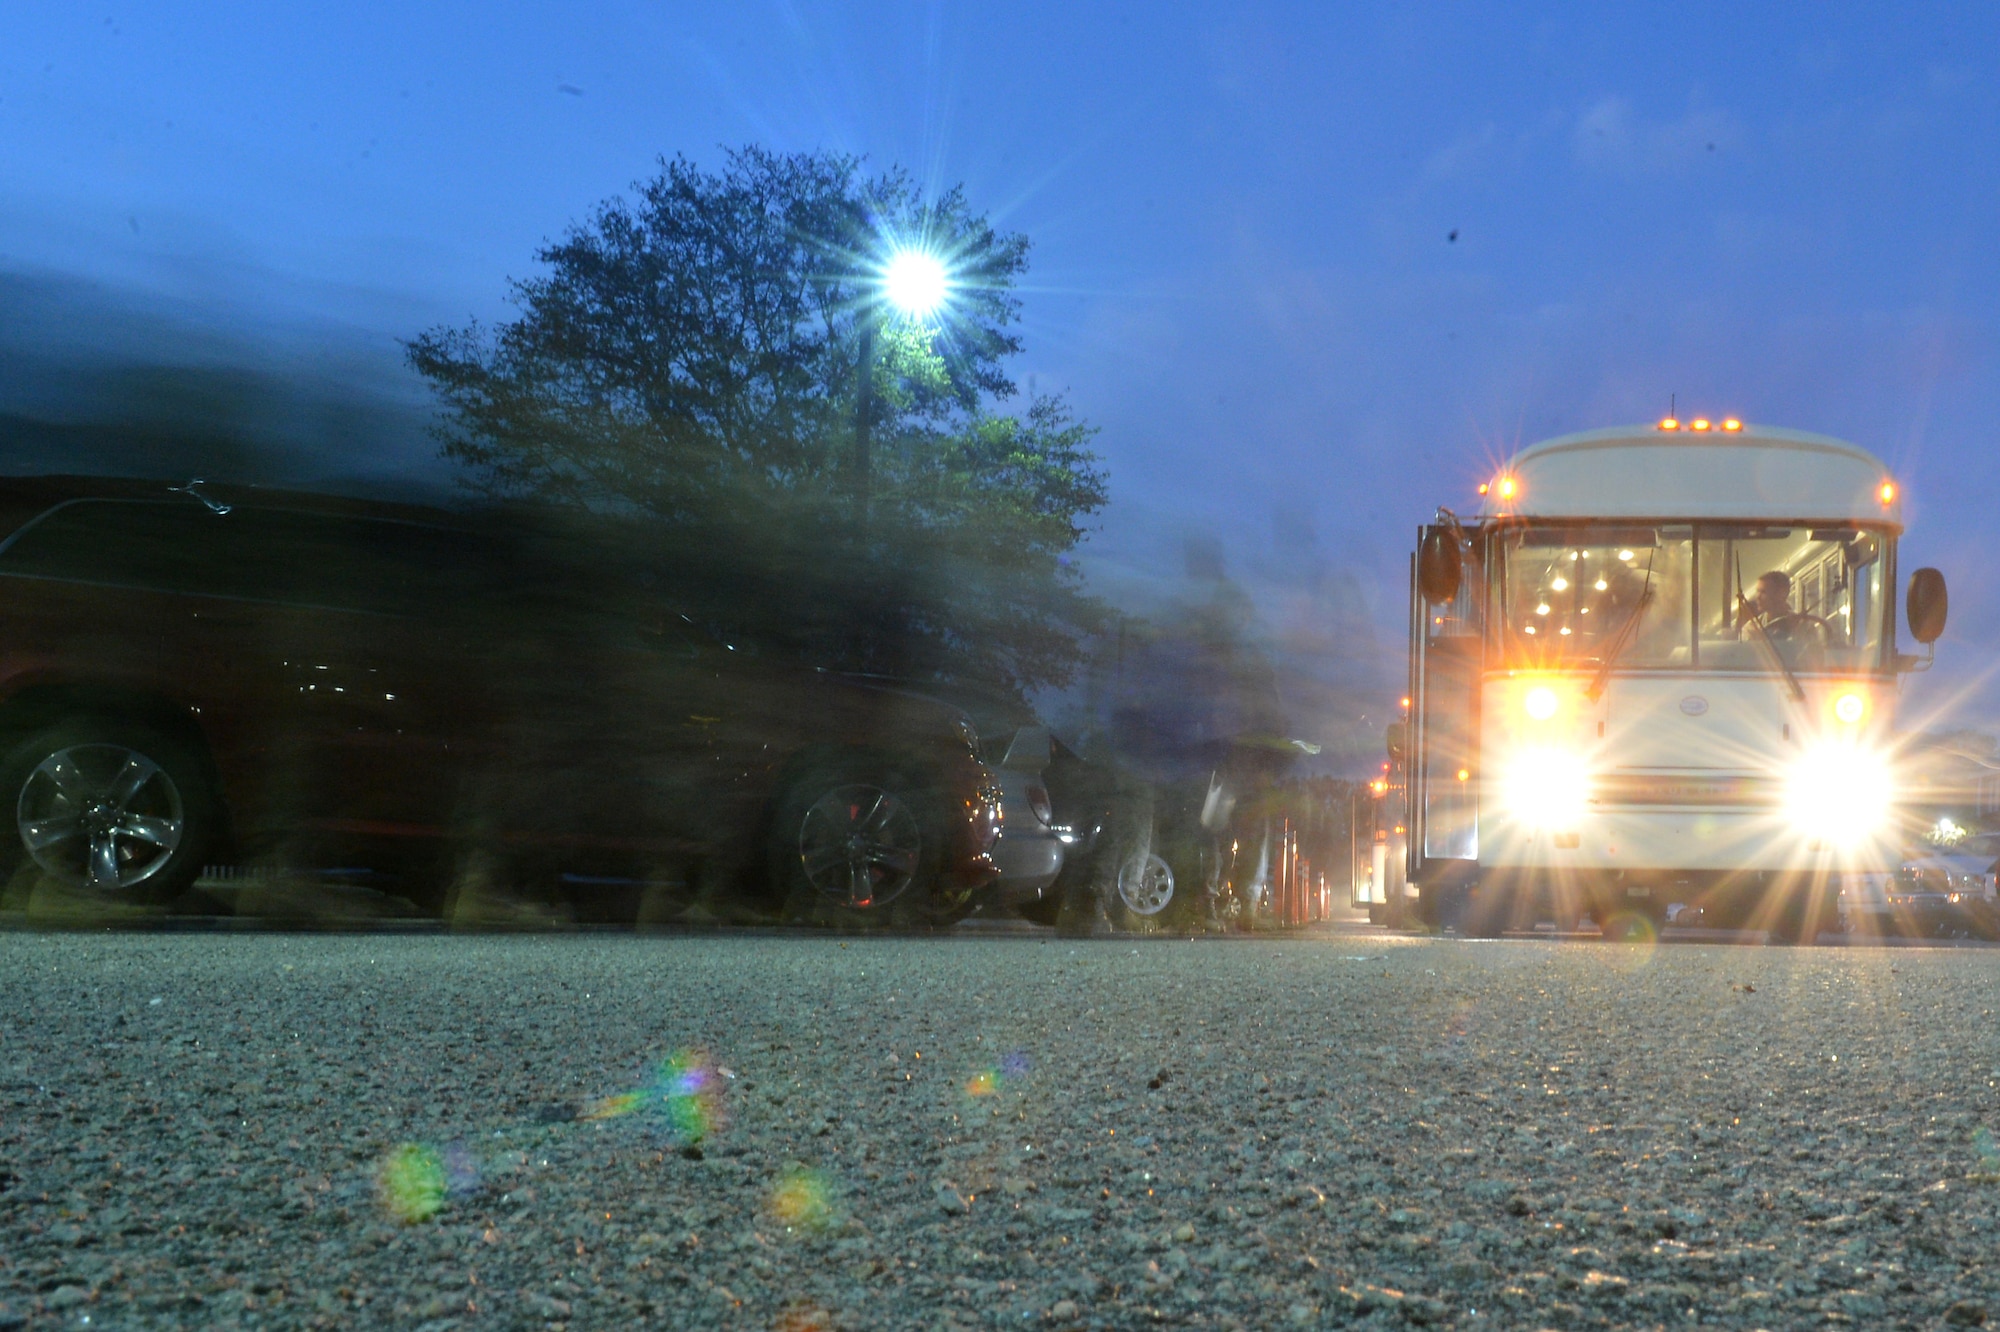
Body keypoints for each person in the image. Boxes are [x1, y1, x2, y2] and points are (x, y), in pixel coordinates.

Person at [1738, 570, 1826, 649]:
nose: (1758, 597)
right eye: (1758, 591)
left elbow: (1812, 658)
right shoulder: (1751, 628)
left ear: (1782, 593)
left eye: (1763, 592)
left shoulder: (1804, 627)